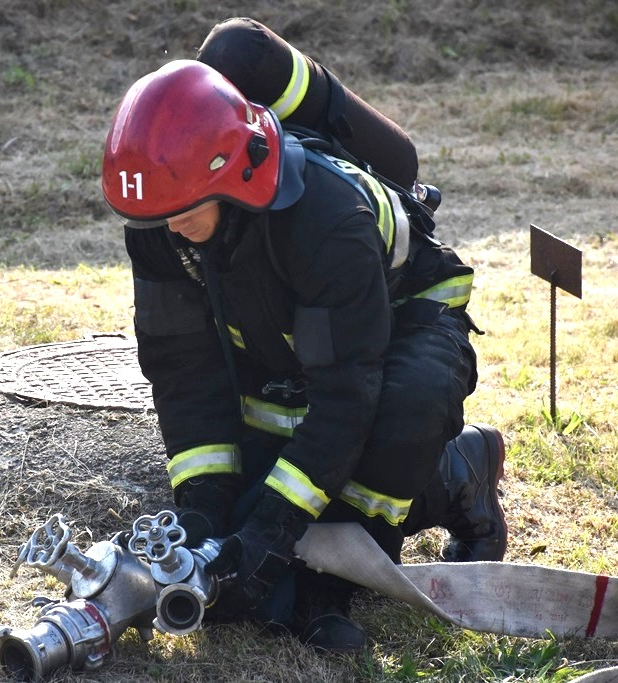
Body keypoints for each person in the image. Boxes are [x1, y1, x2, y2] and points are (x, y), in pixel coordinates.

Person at [101, 18, 507, 654]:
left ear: (230, 177)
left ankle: (447, 484)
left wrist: (272, 528)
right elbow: (183, 371)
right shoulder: (163, 220)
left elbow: (346, 392)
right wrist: (205, 508)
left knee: (397, 412)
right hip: (291, 325)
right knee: (250, 556)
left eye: (182, 213)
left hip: (404, 319)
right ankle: (315, 549)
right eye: (155, 217)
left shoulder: (324, 218)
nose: (170, 230)